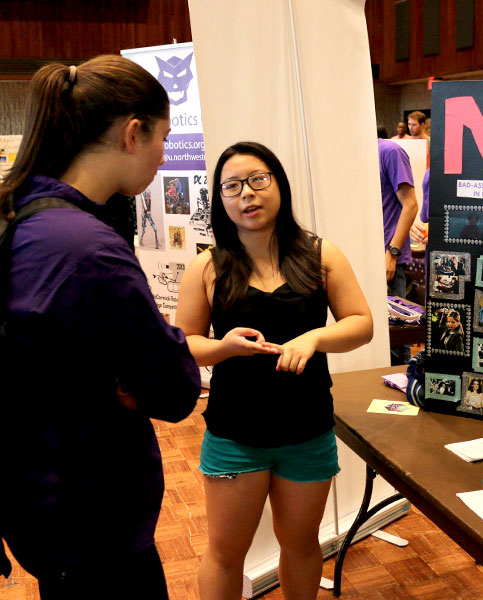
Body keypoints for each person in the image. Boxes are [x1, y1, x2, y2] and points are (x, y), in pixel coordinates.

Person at [0, 56, 202, 599]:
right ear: (132, 132)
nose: (164, 157)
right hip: (92, 516)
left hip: (40, 495)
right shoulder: (89, 250)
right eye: (162, 137)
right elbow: (176, 389)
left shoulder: (25, 218)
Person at [175, 141, 373, 600]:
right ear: (221, 200)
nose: (247, 194)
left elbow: (361, 324)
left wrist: (315, 337)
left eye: (258, 180)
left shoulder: (321, 255)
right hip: (235, 433)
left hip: (306, 429)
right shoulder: (207, 266)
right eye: (232, 186)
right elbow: (183, 344)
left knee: (302, 544)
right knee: (226, 554)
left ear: (278, 185)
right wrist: (223, 348)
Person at [377, 126, 418, 363]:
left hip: (388, 261)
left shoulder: (389, 151)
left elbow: (410, 205)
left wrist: (391, 253)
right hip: (362, 258)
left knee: (395, 340)